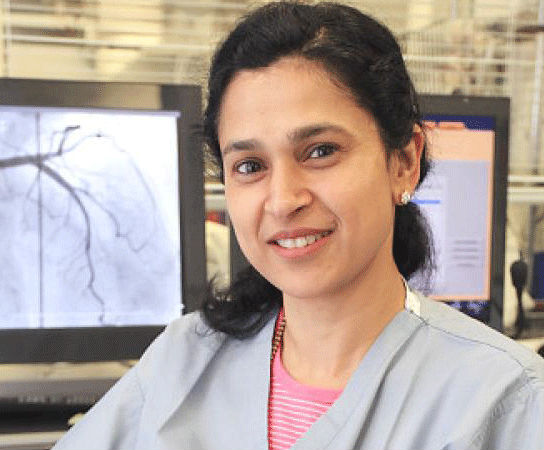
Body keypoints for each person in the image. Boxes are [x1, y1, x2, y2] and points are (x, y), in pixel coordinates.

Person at [52, 2, 544, 449]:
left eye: (320, 151)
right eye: (250, 166)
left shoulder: (503, 399)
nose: (284, 200)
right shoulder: (184, 359)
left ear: (404, 163)